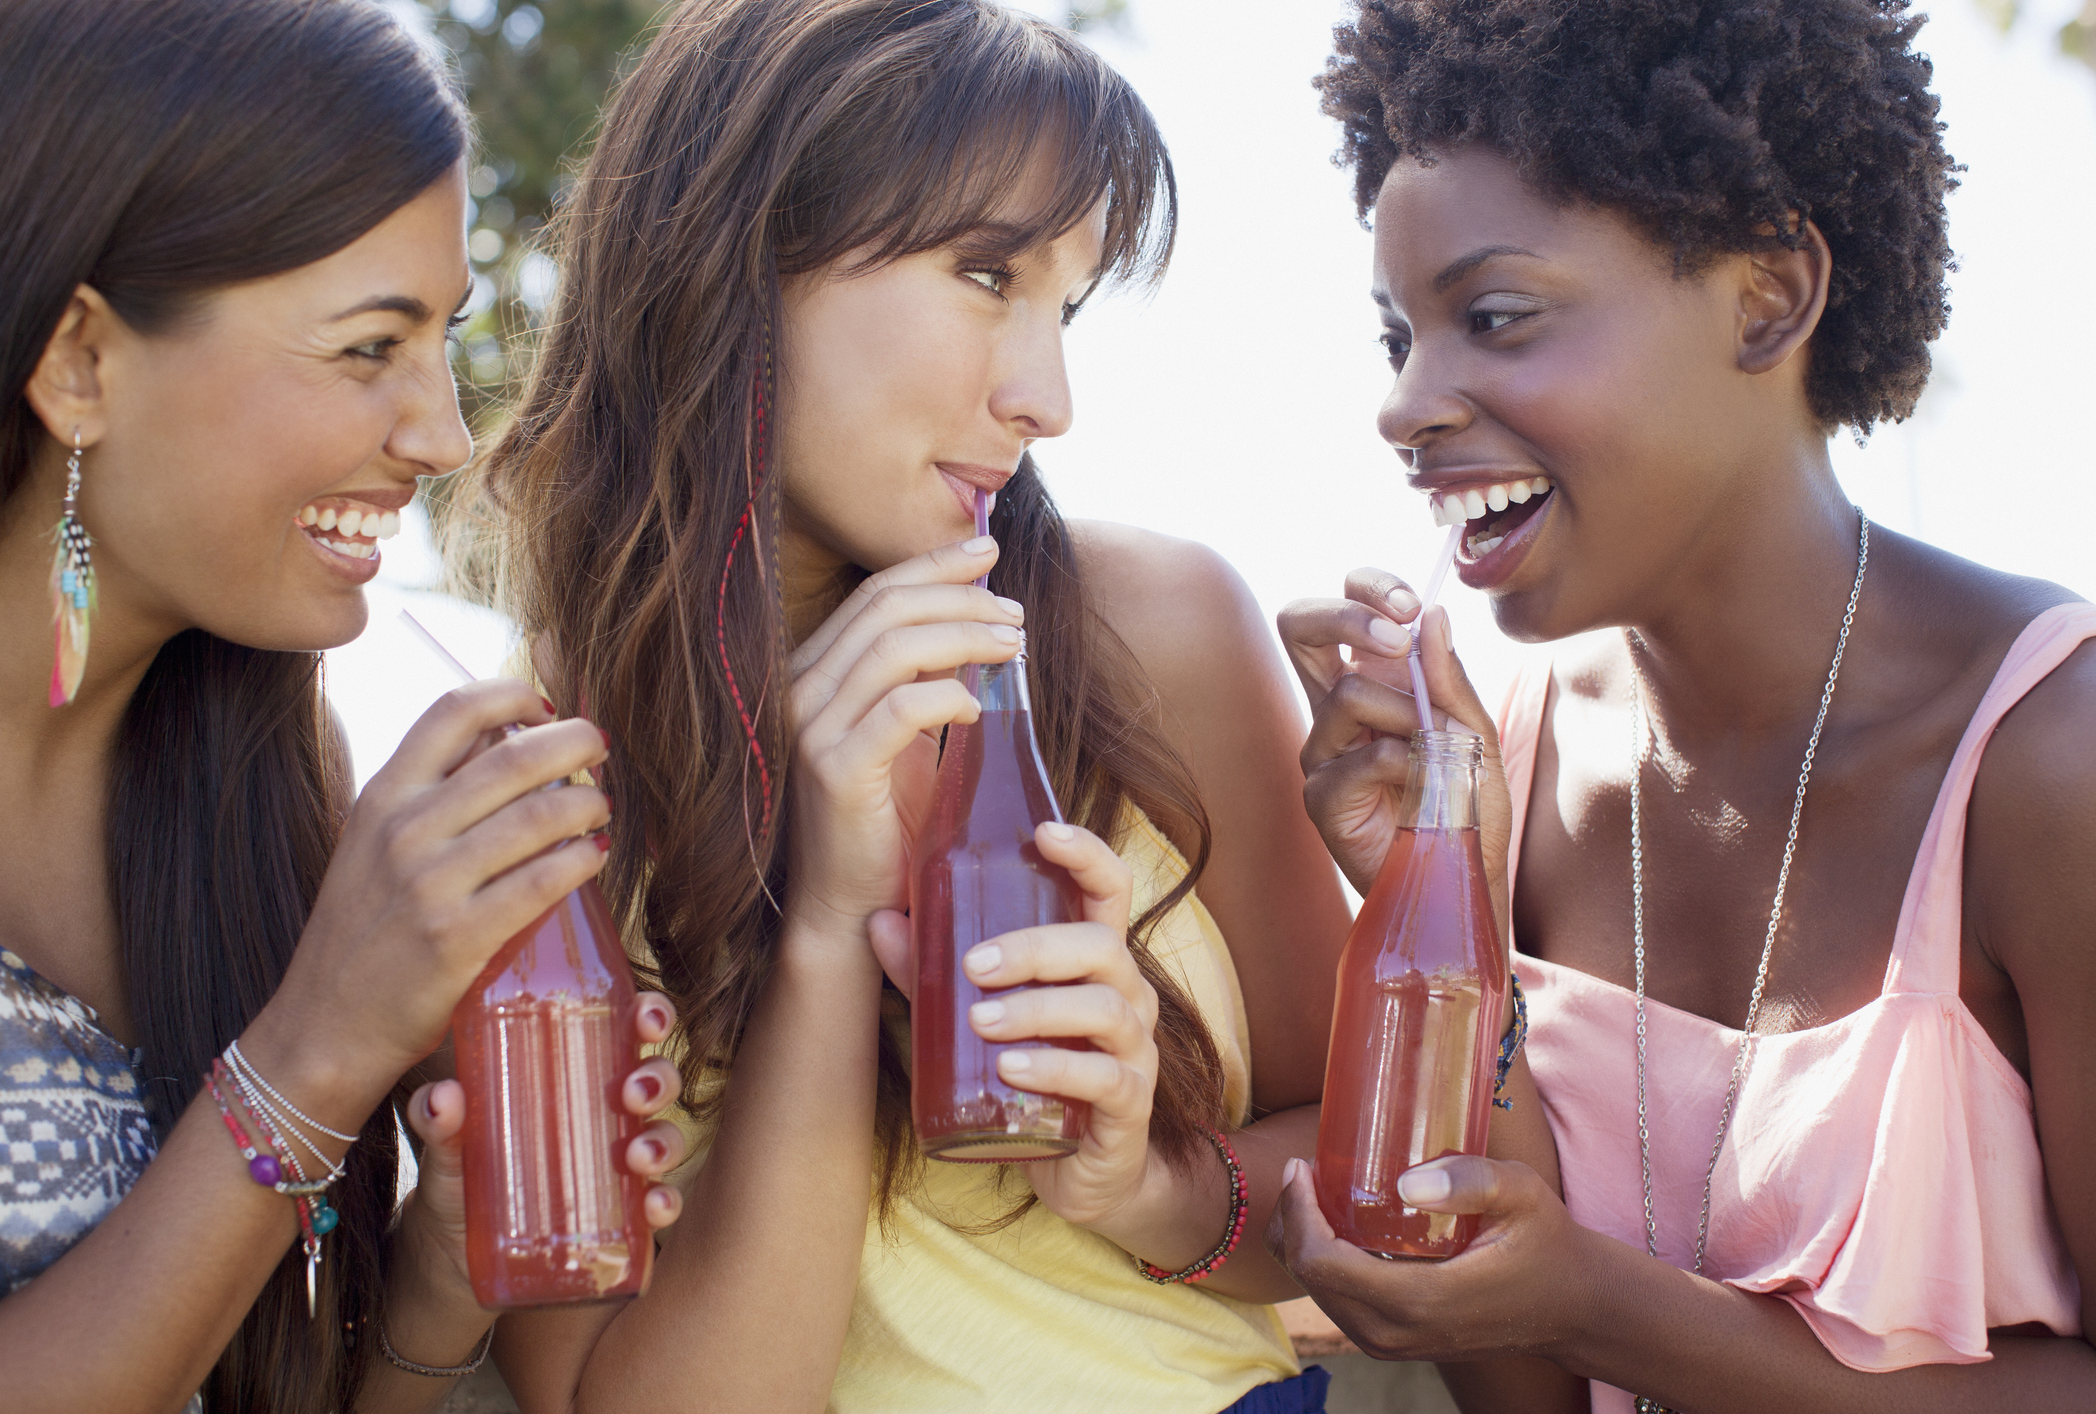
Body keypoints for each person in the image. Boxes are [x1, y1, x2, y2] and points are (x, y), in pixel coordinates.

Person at [456, 2, 1546, 1409]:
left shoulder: (1140, 632)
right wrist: (831, 929)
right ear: (739, 255)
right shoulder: (531, 791)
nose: (1048, 396)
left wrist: (1139, 1179)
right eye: (986, 274)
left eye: (1067, 308)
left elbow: (1365, 1183)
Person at [1267, 0, 2096, 1410]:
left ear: (1765, 296)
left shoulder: (2046, 760)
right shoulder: (1502, 770)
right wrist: (1435, 896)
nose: (1406, 404)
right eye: (1398, 334)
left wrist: (1601, 1304)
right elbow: (1522, 1389)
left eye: (1493, 317)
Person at [0, 2, 687, 1408]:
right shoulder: (319, 959)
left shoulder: (270, 780)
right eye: (370, 347)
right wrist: (318, 1048)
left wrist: (440, 1253)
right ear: (80, 363)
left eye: (445, 342)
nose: (438, 432)